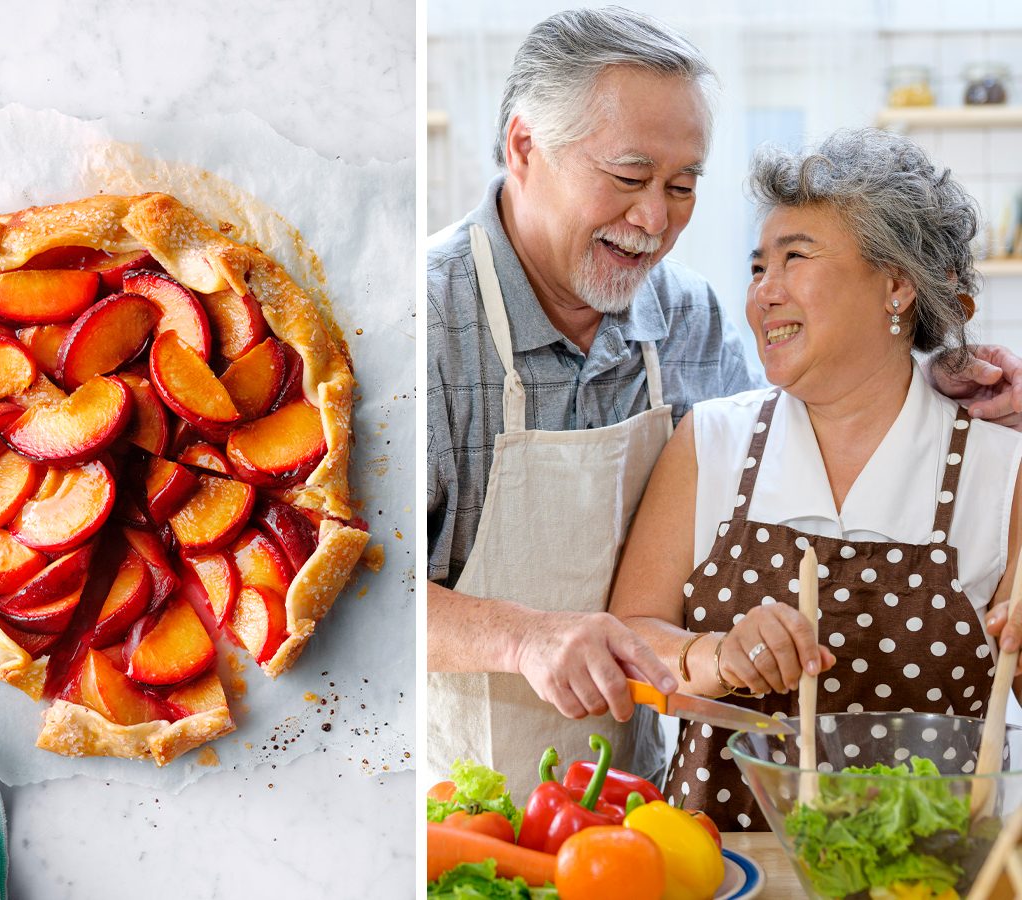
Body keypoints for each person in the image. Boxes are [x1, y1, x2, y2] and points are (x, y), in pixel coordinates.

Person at [423, 7, 1022, 790]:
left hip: (619, 798)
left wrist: (935, 367)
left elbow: (804, 425)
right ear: (525, 148)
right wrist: (522, 640)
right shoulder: (419, 322)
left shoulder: (686, 320)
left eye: (682, 186)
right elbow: (359, 581)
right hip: (443, 790)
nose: (654, 221)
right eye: (631, 178)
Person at [608, 129, 1022, 830]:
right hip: (723, 865)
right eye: (757, 267)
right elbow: (628, 639)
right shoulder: (711, 442)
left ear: (897, 285)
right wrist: (719, 654)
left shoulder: (998, 469)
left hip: (920, 873)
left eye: (795, 258)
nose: (763, 293)